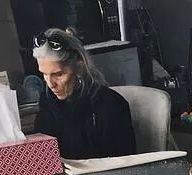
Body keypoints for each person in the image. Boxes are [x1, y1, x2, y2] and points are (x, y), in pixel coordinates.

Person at [33, 28, 136, 159]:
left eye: (58, 74)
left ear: (79, 67)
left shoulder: (112, 105)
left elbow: (126, 162)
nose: (51, 84)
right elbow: (44, 156)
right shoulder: (47, 102)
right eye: (44, 74)